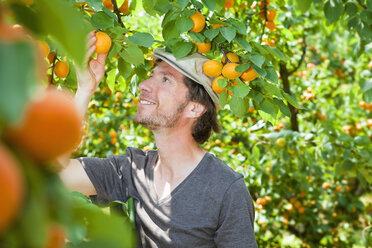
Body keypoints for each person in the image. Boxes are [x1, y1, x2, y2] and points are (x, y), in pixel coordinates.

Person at [58, 31, 258, 248]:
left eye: (165, 79)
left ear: (194, 107)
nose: (144, 84)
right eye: (151, 76)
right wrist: (85, 89)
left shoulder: (226, 190)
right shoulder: (130, 171)